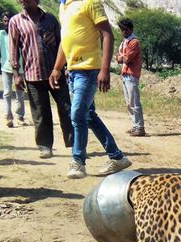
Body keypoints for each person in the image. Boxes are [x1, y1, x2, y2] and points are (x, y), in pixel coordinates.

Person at [51, 0, 132, 179]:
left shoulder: (90, 2)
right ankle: (117, 157)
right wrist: (57, 68)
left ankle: (78, 162)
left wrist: (105, 70)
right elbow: (65, 42)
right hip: (72, 72)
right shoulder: (63, 7)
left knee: (77, 114)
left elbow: (107, 35)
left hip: (88, 71)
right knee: (88, 115)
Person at [8, 0, 73, 160]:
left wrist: (64, 68)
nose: (23, 1)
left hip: (55, 73)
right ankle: (45, 147)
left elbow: (62, 43)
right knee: (40, 113)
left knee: (67, 110)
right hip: (32, 75)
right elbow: (13, 49)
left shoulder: (50, 19)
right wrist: (16, 74)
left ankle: (74, 145)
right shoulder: (15, 21)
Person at [116, 19, 145, 137]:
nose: (123, 31)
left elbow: (126, 59)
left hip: (132, 74)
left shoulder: (134, 42)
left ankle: (140, 127)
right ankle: (135, 126)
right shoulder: (125, 42)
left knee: (134, 102)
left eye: (126, 29)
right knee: (129, 102)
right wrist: (122, 57)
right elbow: (118, 57)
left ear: (131, 29)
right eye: (122, 29)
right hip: (125, 74)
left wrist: (121, 57)